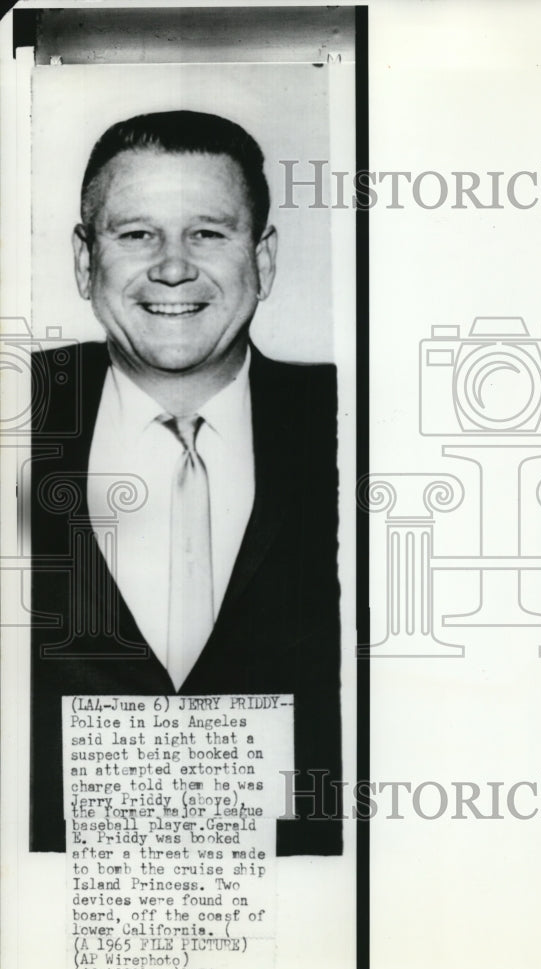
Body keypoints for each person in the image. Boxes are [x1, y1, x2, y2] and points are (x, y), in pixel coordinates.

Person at [30, 110, 342, 854]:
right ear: (84, 260)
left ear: (262, 260)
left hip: (305, 900)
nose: (173, 267)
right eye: (136, 234)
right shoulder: (14, 411)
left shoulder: (354, 422)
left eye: (208, 232)